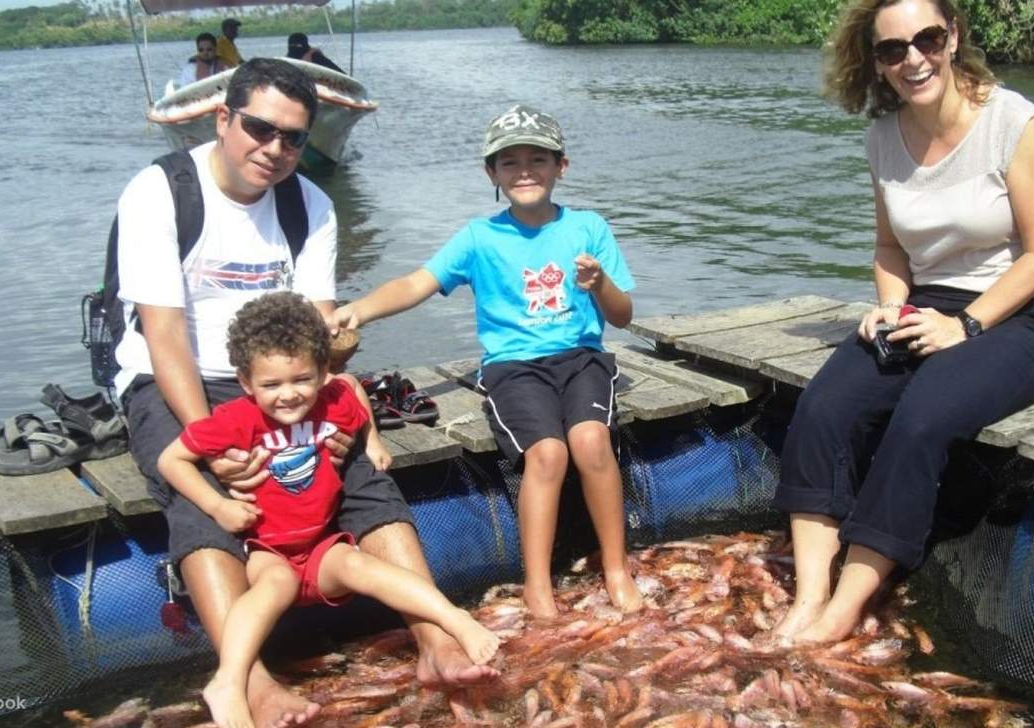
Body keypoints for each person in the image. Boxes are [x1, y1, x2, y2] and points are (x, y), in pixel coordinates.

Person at [115, 58, 497, 728]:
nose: (275, 149)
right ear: (223, 118)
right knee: (201, 499)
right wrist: (216, 445)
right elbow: (163, 335)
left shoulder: (309, 204)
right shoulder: (161, 192)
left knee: (361, 472)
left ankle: (434, 637)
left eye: (293, 138)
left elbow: (319, 334)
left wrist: (338, 392)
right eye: (260, 129)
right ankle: (250, 682)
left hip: (285, 373)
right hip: (179, 375)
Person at [765, 0, 1034, 646]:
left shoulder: (1015, 125)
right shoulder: (883, 137)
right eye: (892, 49)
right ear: (876, 63)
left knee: (922, 416)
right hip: (924, 303)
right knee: (823, 406)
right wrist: (890, 304)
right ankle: (809, 594)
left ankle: (845, 605)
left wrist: (966, 327)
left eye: (926, 39)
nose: (913, 59)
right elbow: (889, 248)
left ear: (952, 36)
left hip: (1020, 313)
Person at [332, 105, 644, 619]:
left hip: (581, 359)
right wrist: (359, 310)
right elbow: (417, 282)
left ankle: (615, 567)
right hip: (514, 367)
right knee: (547, 453)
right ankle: (537, 585)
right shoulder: (479, 238)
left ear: (561, 166)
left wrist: (600, 284)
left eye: (537, 159)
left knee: (590, 440)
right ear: (491, 173)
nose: (525, 171)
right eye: (509, 162)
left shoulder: (588, 228)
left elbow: (623, 316)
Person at [157, 292, 500, 728]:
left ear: (322, 372)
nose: (288, 395)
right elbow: (171, 460)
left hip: (320, 547)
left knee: (361, 566)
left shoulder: (333, 399)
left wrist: (372, 441)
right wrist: (218, 505)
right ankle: (229, 679)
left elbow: (353, 391)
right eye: (271, 385)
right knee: (275, 585)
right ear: (245, 382)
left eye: (302, 379)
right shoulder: (233, 420)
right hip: (268, 550)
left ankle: (453, 619)